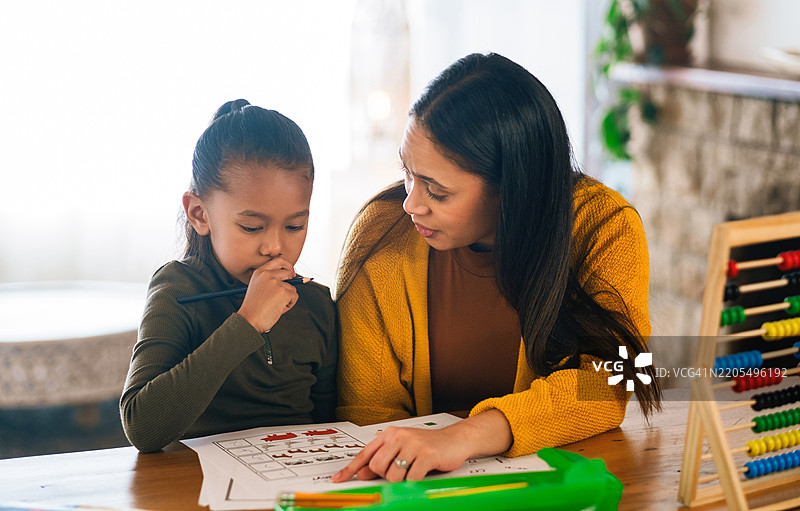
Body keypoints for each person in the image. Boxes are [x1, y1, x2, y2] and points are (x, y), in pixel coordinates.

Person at [331, 53, 661, 483]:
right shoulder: (380, 234)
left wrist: (467, 436)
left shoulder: (602, 228)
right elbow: (367, 417)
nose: (411, 202)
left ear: (512, 190)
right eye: (408, 172)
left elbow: (604, 386)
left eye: (438, 190)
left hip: (553, 483)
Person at [120, 100, 337, 453]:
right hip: (196, 487)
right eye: (252, 227)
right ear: (199, 213)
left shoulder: (316, 305)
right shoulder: (177, 289)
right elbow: (141, 426)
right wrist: (248, 322)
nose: (275, 247)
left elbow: (332, 426)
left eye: (295, 225)